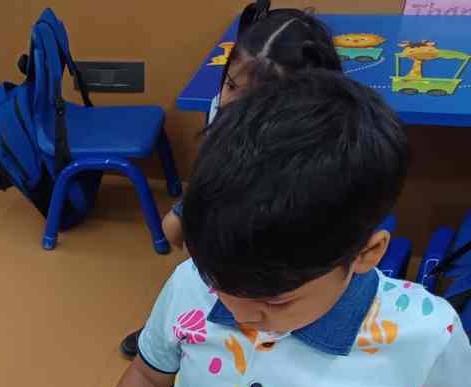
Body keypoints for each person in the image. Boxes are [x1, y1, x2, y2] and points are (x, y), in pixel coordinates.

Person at [44, 72, 471, 387]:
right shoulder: (191, 283)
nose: (241, 315)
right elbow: (149, 375)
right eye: (221, 286)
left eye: (275, 302)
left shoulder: (421, 329)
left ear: (366, 253)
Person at [121, 1, 342, 359]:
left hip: (272, 242)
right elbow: (212, 171)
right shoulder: (222, 111)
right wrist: (189, 211)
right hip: (223, 225)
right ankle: (173, 326)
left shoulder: (316, 150)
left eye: (259, 97)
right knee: (187, 260)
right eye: (231, 85)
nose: (234, 104)